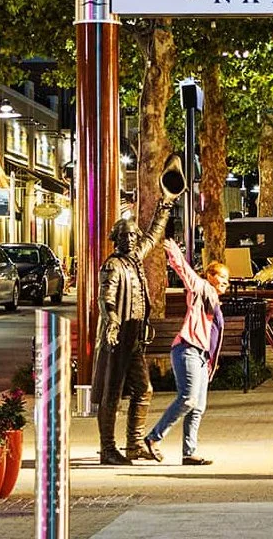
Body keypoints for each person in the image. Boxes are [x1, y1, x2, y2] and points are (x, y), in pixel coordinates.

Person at [92, 154, 185, 465]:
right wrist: (113, 324)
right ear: (117, 240)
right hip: (117, 336)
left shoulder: (135, 260)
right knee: (111, 393)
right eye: (126, 236)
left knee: (143, 390)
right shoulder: (113, 265)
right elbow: (106, 298)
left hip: (135, 336)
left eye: (133, 236)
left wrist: (166, 203)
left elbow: (154, 235)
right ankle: (108, 448)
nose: (132, 239)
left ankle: (134, 444)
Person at [140, 239, 230, 465]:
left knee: (198, 406)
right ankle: (153, 437)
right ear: (210, 276)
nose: (225, 283)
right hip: (187, 349)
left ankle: (189, 453)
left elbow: (213, 338)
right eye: (221, 277)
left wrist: (210, 363)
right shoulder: (202, 290)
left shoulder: (215, 304)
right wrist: (175, 255)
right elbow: (188, 276)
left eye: (227, 280)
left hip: (201, 357)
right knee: (188, 399)